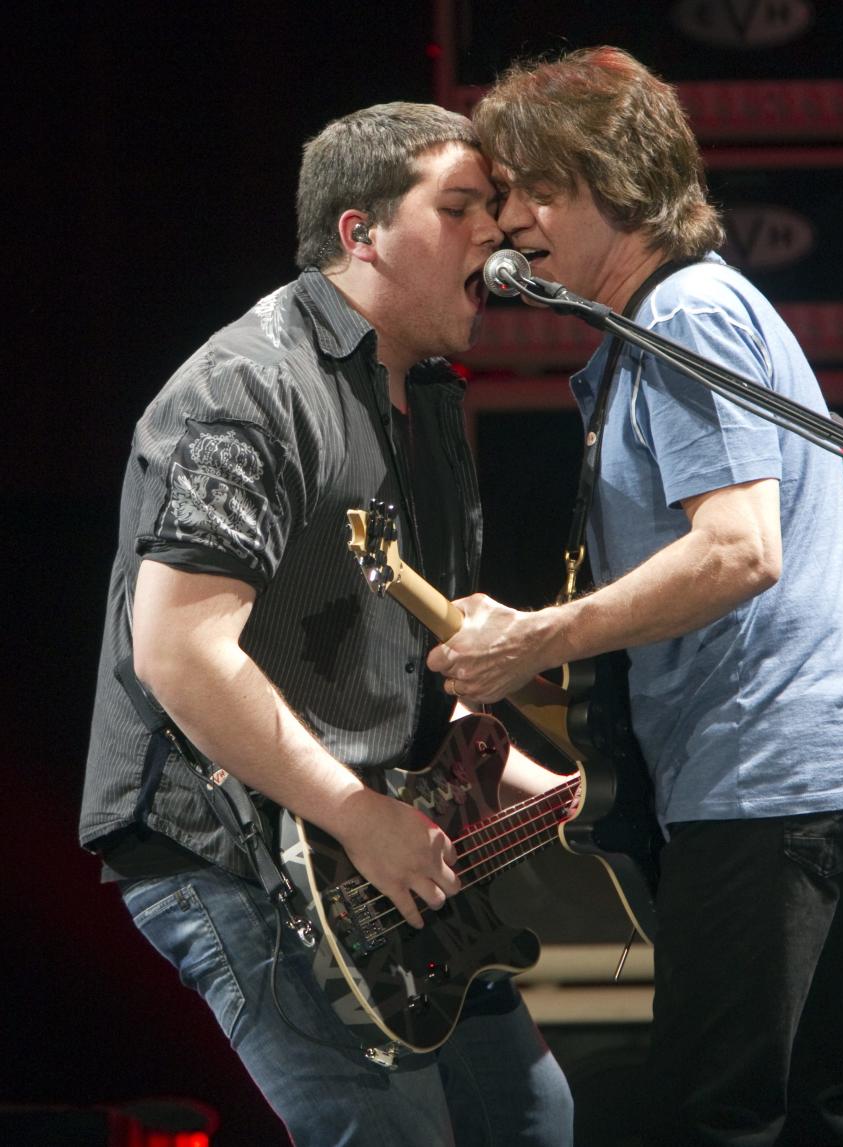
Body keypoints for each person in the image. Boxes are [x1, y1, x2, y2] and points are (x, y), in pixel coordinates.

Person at [425, 48, 843, 1146]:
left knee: (729, 1123)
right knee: (803, 1120)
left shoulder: (687, 314)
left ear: (612, 180)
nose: (509, 224)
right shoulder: (658, 332)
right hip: (810, 775)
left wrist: (535, 638)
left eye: (530, 190)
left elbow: (739, 552)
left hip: (768, 785)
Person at [80, 102, 574, 1147]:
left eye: (492, 207)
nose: (493, 232)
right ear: (360, 235)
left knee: (528, 1120)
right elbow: (177, 648)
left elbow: (400, 667)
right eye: (459, 207)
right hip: (229, 851)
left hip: (362, 840)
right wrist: (358, 815)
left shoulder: (425, 398)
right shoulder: (249, 387)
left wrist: (544, 782)